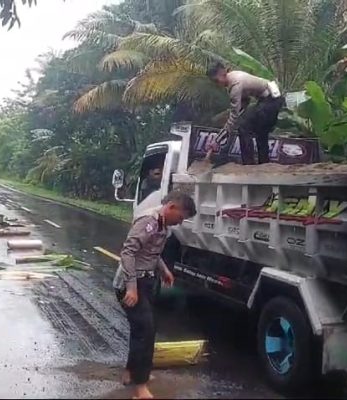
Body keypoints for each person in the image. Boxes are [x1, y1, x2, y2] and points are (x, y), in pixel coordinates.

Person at [113, 191, 196, 399]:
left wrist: (164, 270)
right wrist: (131, 287)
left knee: (142, 328)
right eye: (180, 217)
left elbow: (152, 252)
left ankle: (131, 372)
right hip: (130, 283)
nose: (180, 222)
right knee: (146, 330)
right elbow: (128, 253)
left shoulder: (163, 226)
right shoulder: (148, 222)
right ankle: (140, 386)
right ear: (171, 208)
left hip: (146, 281)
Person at [206, 62, 285, 165]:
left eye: (217, 80)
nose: (217, 84)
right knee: (260, 132)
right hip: (272, 100)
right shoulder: (234, 77)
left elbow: (234, 117)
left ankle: (248, 164)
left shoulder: (235, 85)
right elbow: (244, 103)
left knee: (243, 126)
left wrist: (217, 140)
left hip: (271, 100)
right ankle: (264, 163)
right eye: (214, 82)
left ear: (223, 74)